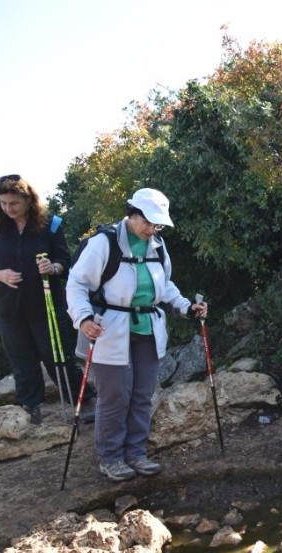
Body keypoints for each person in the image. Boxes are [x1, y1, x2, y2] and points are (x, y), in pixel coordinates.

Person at [66, 188, 206, 483]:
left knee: (142, 395)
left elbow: (165, 285)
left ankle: (136, 453)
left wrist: (186, 307)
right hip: (109, 329)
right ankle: (111, 458)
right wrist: (84, 318)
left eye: (157, 224)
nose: (152, 229)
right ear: (132, 214)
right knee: (114, 397)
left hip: (147, 328)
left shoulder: (157, 245)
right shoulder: (103, 243)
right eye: (148, 222)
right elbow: (76, 284)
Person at [0, 174, 95, 425]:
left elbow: (65, 263)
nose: (8, 208)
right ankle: (30, 408)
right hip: (7, 305)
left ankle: (84, 401)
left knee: (57, 355)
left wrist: (52, 268)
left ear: (28, 200)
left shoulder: (51, 225)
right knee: (21, 358)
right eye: (3, 203)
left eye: (13, 203)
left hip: (46, 303)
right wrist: (0, 275)